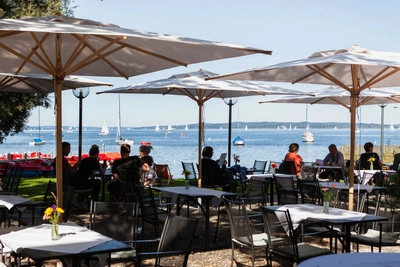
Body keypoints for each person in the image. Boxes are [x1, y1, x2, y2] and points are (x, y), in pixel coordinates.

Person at [72, 145, 104, 210]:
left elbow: (87, 170)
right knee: (97, 183)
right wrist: (105, 166)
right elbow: (102, 172)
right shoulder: (94, 161)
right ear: (96, 154)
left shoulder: (84, 160)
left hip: (75, 181)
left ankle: (80, 200)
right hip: (81, 183)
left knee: (93, 183)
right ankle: (94, 203)